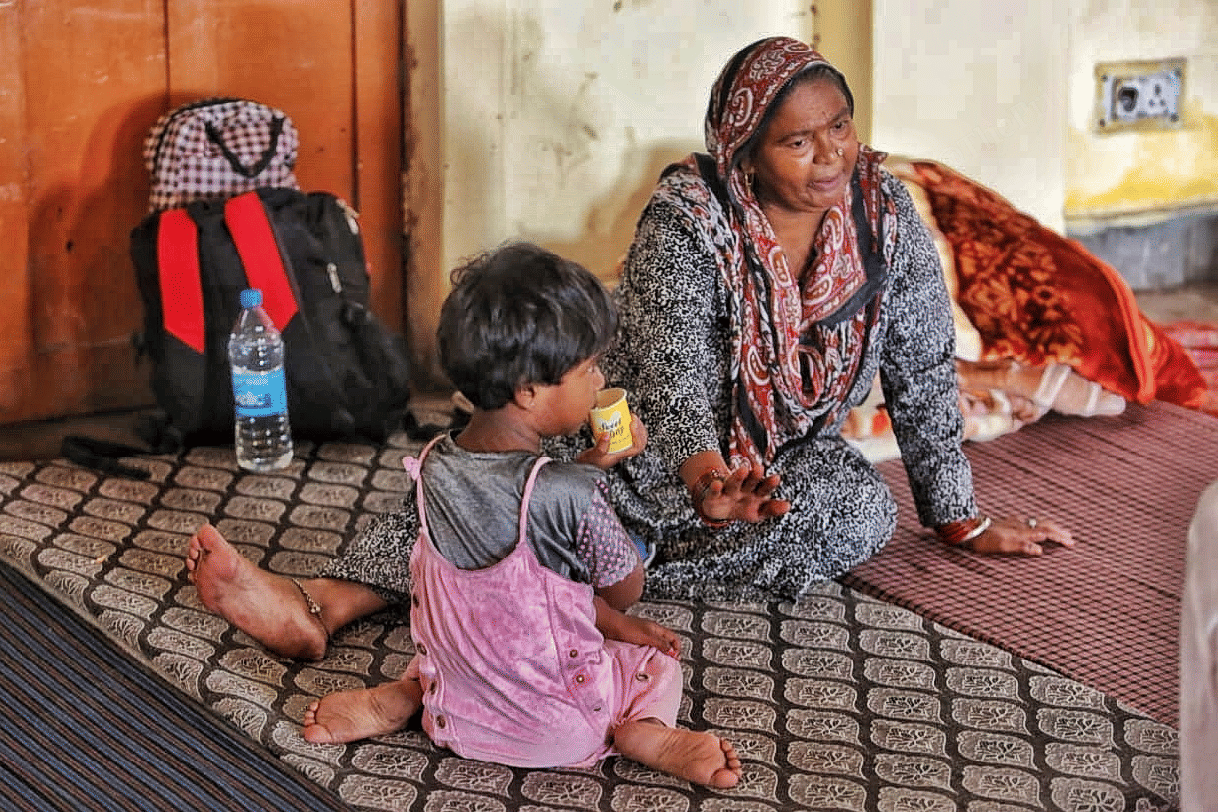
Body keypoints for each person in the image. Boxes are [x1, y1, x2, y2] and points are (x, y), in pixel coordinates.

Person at [186, 241, 742, 788]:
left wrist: (587, 465)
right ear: (528, 391)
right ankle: (646, 730)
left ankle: (408, 695)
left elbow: (518, 531)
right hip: (563, 728)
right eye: (590, 369)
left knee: (468, 618)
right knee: (652, 662)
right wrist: (597, 480)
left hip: (456, 718)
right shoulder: (575, 493)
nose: (600, 383)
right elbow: (623, 591)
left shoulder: (431, 462)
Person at [559, 36, 1076, 601]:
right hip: (648, 457)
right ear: (746, 155)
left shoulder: (884, 215)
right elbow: (670, 383)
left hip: (777, 463)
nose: (830, 154)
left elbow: (922, 368)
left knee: (864, 510)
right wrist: (710, 484)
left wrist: (959, 517)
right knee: (566, 483)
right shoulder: (687, 221)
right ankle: (604, 546)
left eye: (839, 127)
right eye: (798, 141)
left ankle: (622, 566)